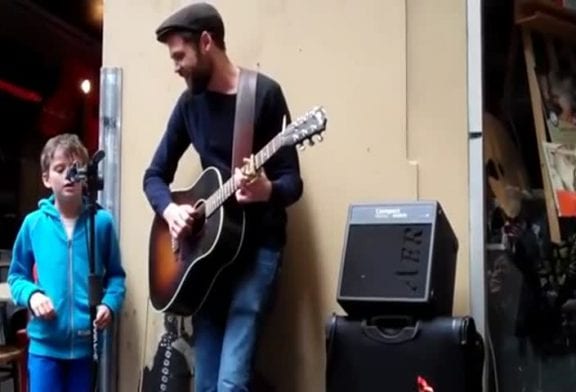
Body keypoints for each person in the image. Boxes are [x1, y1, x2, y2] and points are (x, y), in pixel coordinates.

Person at [143, 2, 303, 391]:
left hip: (258, 252)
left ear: (207, 42)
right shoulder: (188, 105)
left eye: (180, 55)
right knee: (206, 385)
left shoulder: (262, 95)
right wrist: (170, 212)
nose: (176, 66)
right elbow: (154, 176)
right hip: (206, 260)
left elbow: (292, 181)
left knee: (231, 384)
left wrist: (266, 190)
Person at [7, 133, 126, 392]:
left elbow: (116, 277)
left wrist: (109, 304)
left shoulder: (102, 223)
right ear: (46, 178)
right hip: (44, 348)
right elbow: (17, 277)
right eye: (59, 169)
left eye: (75, 169)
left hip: (86, 349)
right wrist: (32, 295)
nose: (69, 175)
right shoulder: (34, 224)